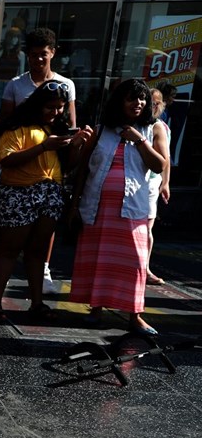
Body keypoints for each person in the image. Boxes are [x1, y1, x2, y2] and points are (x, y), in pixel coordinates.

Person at [69, 78, 168, 335]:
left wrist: (138, 140)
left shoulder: (153, 129)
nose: (138, 103)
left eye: (142, 98)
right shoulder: (103, 130)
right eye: (131, 98)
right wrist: (74, 204)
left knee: (135, 262)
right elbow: (82, 170)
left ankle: (135, 315)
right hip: (98, 207)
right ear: (119, 102)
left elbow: (159, 166)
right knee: (99, 260)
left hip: (132, 208)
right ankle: (97, 308)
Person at [0, 27, 76, 294]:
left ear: (53, 54)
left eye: (43, 55)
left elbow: (69, 124)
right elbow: (5, 122)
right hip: (20, 176)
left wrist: (73, 143)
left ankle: (44, 271)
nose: (38, 60)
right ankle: (1, 282)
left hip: (50, 174)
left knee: (42, 235)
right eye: (34, 55)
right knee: (11, 240)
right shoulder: (16, 85)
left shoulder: (65, 85)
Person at [0, 81, 82, 323]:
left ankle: (37, 303)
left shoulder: (57, 129)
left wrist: (78, 145)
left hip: (50, 193)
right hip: (19, 192)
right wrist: (43, 147)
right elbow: (5, 160)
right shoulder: (16, 127)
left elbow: (68, 167)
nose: (56, 112)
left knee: (38, 252)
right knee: (9, 250)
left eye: (60, 108)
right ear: (38, 104)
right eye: (51, 107)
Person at [145, 87, 171, 286]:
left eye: (156, 103)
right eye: (150, 101)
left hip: (152, 181)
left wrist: (165, 182)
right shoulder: (137, 124)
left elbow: (166, 159)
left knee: (146, 227)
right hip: (137, 179)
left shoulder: (161, 127)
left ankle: (144, 268)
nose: (153, 106)